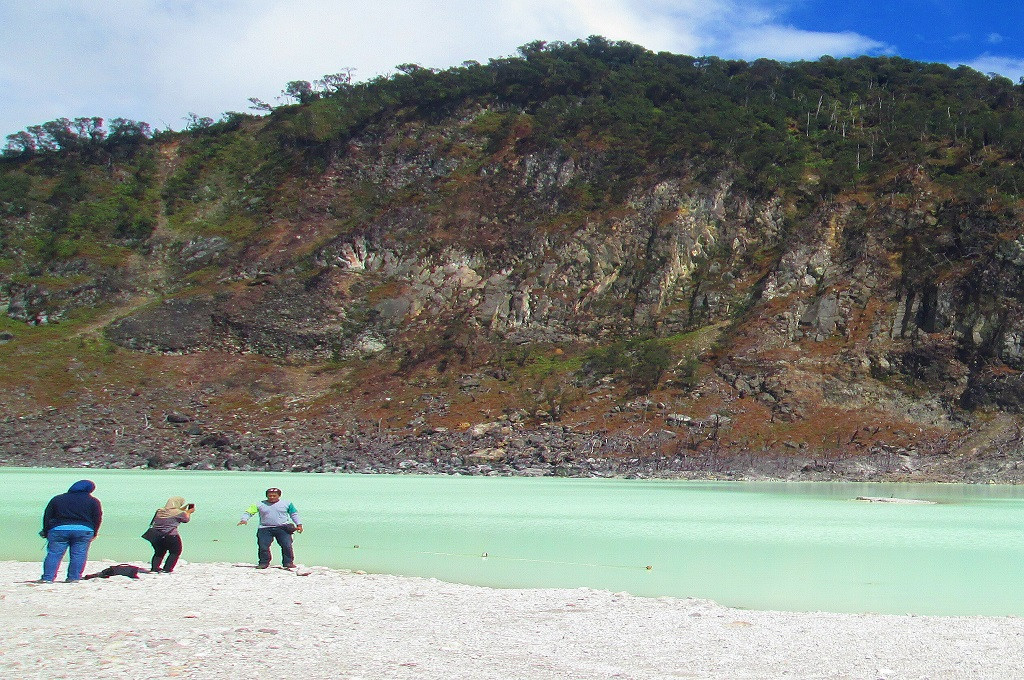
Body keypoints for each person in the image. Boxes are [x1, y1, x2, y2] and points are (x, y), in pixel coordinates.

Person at [38, 479, 102, 583]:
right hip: (84, 530)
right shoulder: (93, 501)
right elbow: (97, 518)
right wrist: (95, 532)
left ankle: (47, 578)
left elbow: (47, 516)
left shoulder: (57, 499)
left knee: (54, 554)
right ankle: (74, 578)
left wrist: (45, 531)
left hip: (58, 530)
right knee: (79, 554)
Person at [237, 487, 303, 569]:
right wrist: (244, 519)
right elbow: (249, 512)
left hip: (283, 528)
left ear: (279, 496)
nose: (272, 497)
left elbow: (294, 514)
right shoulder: (259, 504)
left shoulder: (287, 503)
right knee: (263, 546)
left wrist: (299, 524)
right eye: (270, 496)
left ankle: (288, 563)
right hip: (264, 528)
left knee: (287, 545)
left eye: (274, 496)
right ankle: (263, 563)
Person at [144, 496, 196, 573]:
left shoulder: (160, 510)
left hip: (156, 535)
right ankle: (167, 569)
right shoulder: (180, 513)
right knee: (175, 552)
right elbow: (186, 520)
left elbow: (172, 512)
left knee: (159, 552)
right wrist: (188, 512)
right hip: (171, 536)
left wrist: (183, 509)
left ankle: (155, 568)